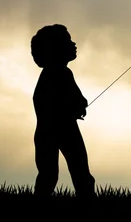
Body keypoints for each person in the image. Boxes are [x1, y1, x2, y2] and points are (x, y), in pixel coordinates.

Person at [30, 24, 96, 198]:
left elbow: (71, 99)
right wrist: (75, 107)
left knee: (51, 175)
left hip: (47, 132)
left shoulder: (57, 74)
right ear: (55, 49)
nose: (73, 44)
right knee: (76, 173)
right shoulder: (61, 73)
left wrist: (77, 105)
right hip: (64, 130)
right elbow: (46, 102)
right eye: (67, 41)